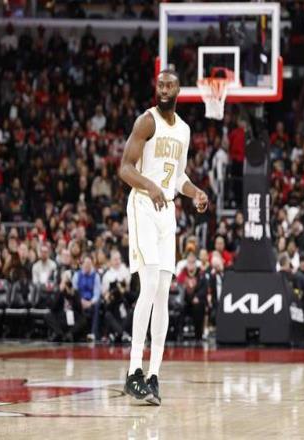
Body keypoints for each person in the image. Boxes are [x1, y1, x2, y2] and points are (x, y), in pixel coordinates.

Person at [118, 69, 208, 405]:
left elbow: (179, 176)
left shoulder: (183, 129)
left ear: (178, 90)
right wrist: (150, 186)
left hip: (167, 210)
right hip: (143, 204)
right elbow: (125, 168)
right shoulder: (146, 121)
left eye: (170, 85)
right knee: (150, 284)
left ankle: (153, 375)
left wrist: (196, 192)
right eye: (160, 84)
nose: (164, 89)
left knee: (163, 294)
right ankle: (133, 372)